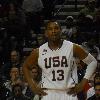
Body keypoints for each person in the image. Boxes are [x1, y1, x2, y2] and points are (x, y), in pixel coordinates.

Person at [22, 20, 97, 100]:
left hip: (69, 93)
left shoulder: (72, 47)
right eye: (50, 29)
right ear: (46, 33)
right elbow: (25, 66)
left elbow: (93, 62)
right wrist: (32, 85)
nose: (53, 31)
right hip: (49, 94)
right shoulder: (39, 51)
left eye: (56, 28)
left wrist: (82, 83)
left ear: (61, 31)